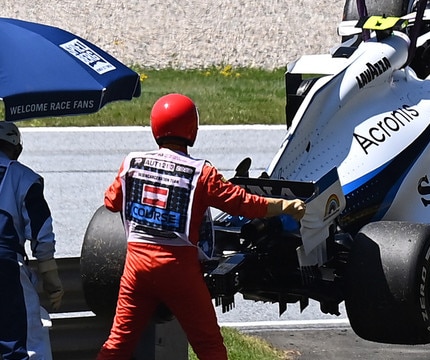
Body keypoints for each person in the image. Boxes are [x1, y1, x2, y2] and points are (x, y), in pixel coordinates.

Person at [97, 93, 306, 360]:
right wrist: (283, 206)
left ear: (155, 127)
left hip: (136, 268)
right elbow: (240, 203)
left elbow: (111, 202)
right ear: (192, 129)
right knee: (209, 347)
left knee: (118, 344)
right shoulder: (201, 172)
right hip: (179, 270)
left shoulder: (131, 163)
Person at [0, 121, 63, 360]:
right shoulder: (24, 177)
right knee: (25, 343)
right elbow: (40, 231)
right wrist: (50, 275)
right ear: (16, 149)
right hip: (7, 268)